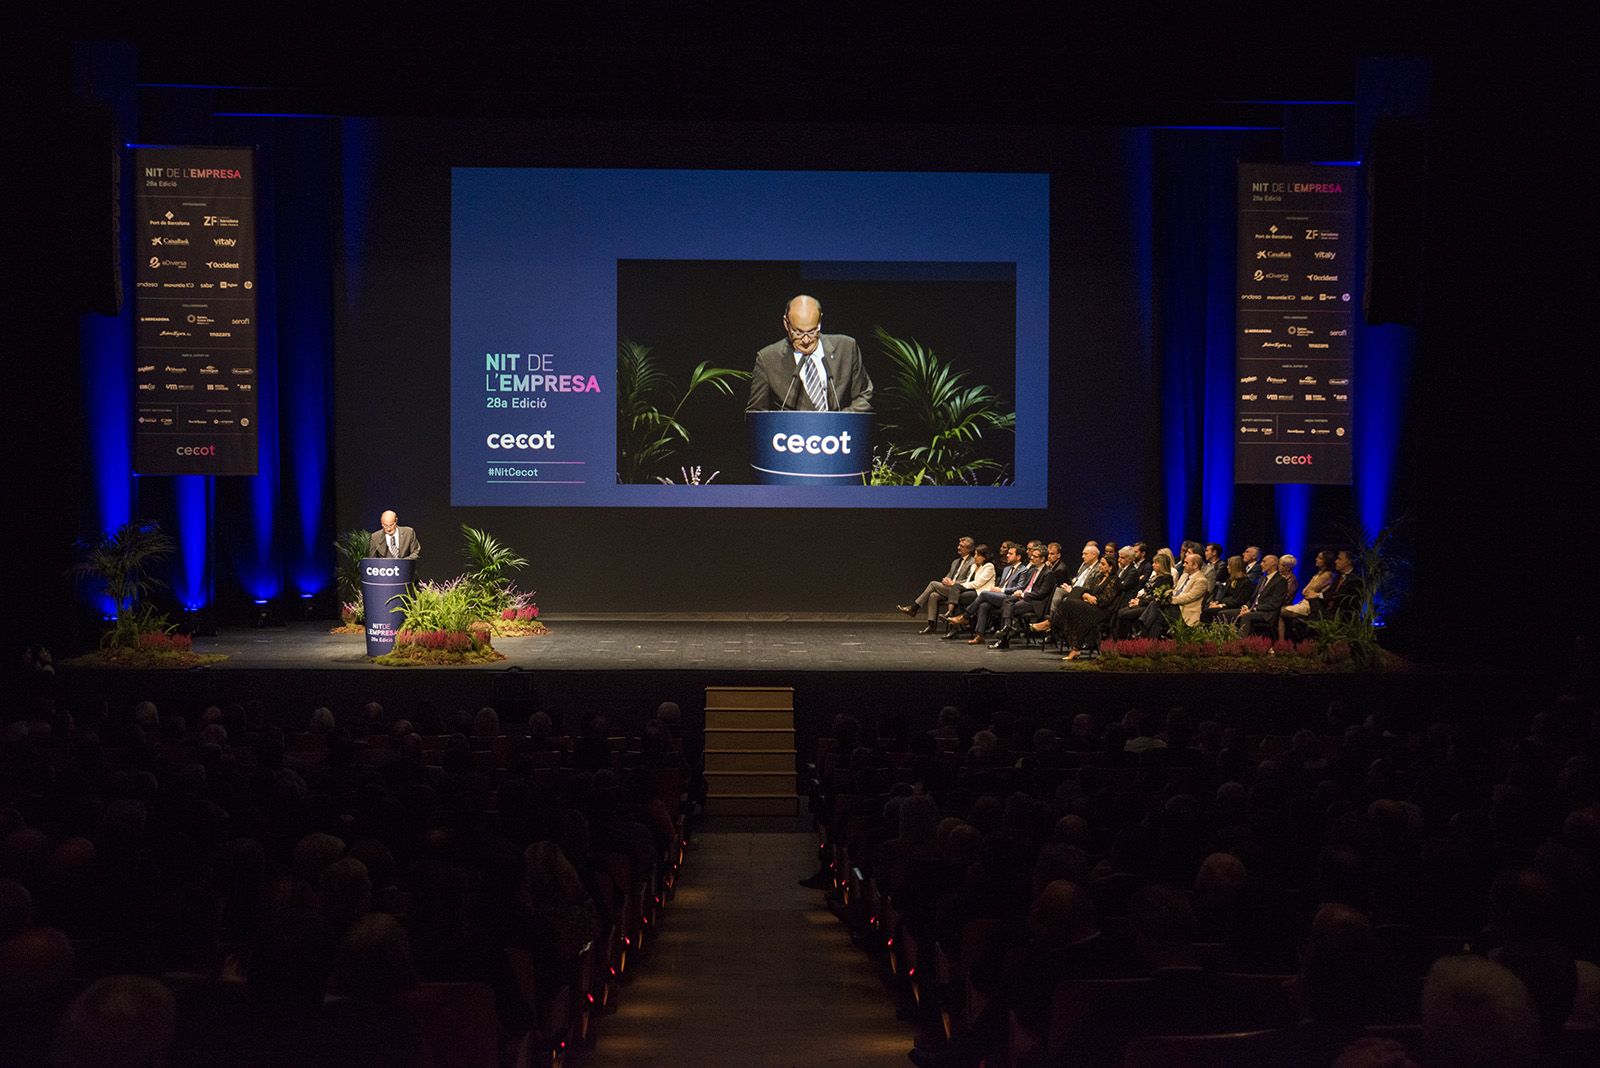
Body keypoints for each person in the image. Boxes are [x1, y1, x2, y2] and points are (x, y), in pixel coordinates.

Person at [746, 294, 873, 412]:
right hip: (793, 435)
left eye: (812, 331)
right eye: (798, 332)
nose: (806, 340)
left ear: (820, 322)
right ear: (786, 323)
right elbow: (756, 414)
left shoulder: (846, 348)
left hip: (839, 434)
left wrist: (837, 421)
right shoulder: (768, 359)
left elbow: (865, 396)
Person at [899, 536, 977, 632]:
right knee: (933, 595)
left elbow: (969, 580)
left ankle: (914, 608)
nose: (958, 547)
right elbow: (948, 576)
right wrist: (945, 580)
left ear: (969, 549)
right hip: (950, 589)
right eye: (958, 545)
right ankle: (931, 626)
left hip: (960, 591)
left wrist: (953, 583)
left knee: (932, 584)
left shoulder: (973, 562)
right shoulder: (955, 562)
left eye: (962, 546)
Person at [1203, 555, 1253, 623]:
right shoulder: (1229, 580)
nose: (1227, 567)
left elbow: (1239, 602)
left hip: (1233, 607)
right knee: (1205, 608)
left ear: (1235, 567)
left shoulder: (1246, 583)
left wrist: (1221, 605)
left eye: (1229, 565)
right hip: (1224, 604)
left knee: (1208, 611)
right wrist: (1216, 603)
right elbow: (1223, 595)